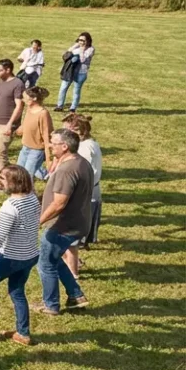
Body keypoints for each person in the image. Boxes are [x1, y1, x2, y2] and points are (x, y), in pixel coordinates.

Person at [0, 165, 41, 346]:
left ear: (15, 182)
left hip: (11, 257)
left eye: (3, 179)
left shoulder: (9, 207)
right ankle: (23, 333)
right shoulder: (33, 199)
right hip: (29, 255)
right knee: (17, 292)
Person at [37, 129, 94, 315]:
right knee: (55, 258)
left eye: (53, 143)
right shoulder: (81, 162)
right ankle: (76, 295)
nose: (49, 145)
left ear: (65, 146)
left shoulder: (67, 170)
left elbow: (59, 203)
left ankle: (51, 305)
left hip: (62, 227)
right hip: (78, 223)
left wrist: (39, 221)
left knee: (45, 264)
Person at [64, 113, 103, 265]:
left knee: (72, 233)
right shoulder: (90, 144)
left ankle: (74, 262)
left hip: (85, 193)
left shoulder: (85, 149)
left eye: (67, 131)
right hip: (90, 191)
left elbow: (80, 172)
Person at [0, 59, 26, 184]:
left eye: (0, 70)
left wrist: (9, 125)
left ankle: (2, 180)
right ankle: (10, 173)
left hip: (7, 124)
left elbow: (19, 106)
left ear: (8, 70)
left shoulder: (18, 84)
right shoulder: (0, 82)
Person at [17, 86, 54, 179]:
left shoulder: (43, 113)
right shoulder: (29, 109)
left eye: (25, 97)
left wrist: (48, 158)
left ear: (34, 98)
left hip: (36, 151)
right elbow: (26, 124)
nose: (23, 99)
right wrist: (17, 131)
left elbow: (46, 136)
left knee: (27, 177)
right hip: (25, 148)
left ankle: (29, 193)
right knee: (18, 172)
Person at [56, 32, 93, 112]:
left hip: (81, 73)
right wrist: (75, 46)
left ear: (87, 41)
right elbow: (66, 55)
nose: (81, 42)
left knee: (76, 90)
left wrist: (82, 50)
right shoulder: (76, 48)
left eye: (83, 40)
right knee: (63, 88)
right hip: (70, 71)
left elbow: (83, 60)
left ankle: (73, 108)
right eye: (79, 40)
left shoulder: (90, 49)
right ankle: (59, 106)